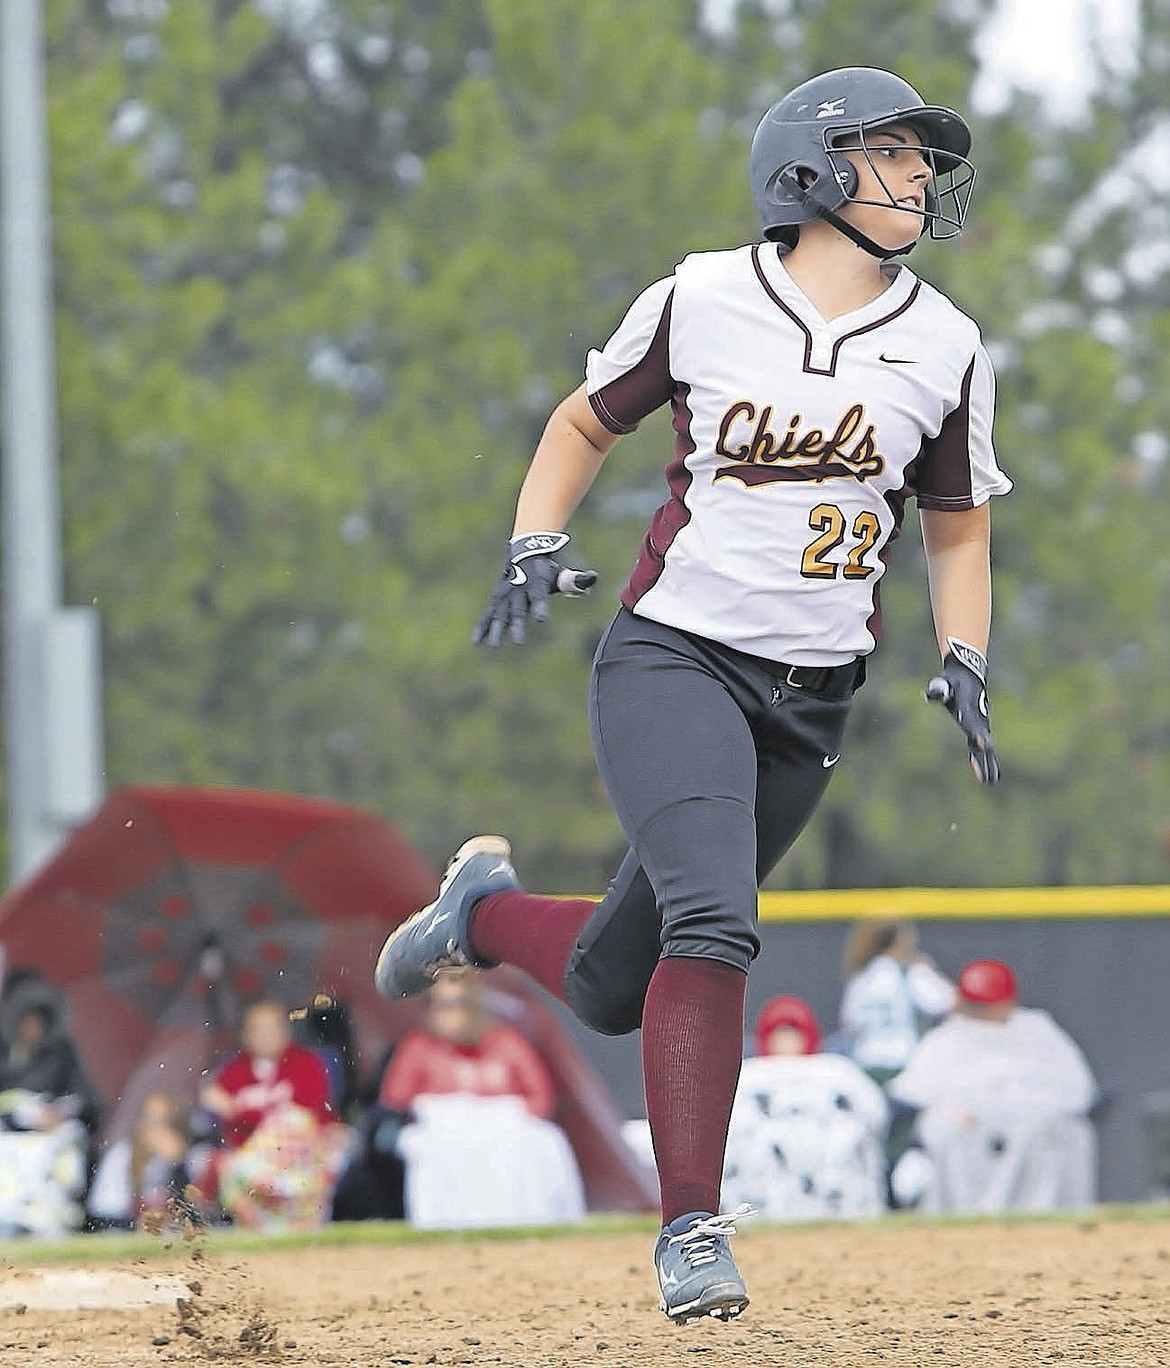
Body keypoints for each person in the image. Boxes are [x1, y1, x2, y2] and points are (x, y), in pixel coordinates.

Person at [375, 65, 1011, 1324]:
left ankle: (483, 913)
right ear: (811, 171)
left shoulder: (945, 341)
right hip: (676, 656)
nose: (921, 178)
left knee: (621, 981)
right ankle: (691, 1231)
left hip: (814, 694)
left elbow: (955, 526)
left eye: (924, 159)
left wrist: (966, 652)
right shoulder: (706, 295)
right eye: (891, 154)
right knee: (715, 923)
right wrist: (531, 541)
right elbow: (578, 427)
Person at [377, 970, 585, 1230]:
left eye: (456, 1005)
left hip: (504, 1129)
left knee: (545, 1142)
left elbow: (541, 1097)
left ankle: (529, 1221)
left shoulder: (504, 1041)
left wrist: (497, 1118)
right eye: (440, 1005)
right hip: (445, 1131)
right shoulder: (420, 1046)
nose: (448, 1015)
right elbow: (394, 1099)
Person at [887, 959, 1098, 1213]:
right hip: (966, 1140)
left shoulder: (1037, 1030)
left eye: (985, 1003)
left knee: (1047, 1126)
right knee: (947, 1125)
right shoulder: (946, 1038)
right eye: (974, 1002)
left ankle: (1050, 1218)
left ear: (1009, 1000)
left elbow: (1081, 1093)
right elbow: (909, 1097)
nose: (979, 1010)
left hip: (1038, 1135)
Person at [721, 996, 889, 1222]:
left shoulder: (838, 1071)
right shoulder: (746, 1075)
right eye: (778, 1033)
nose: (786, 1041)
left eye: (793, 1033)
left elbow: (876, 1116)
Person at [197, 999, 348, 1231]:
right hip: (254, 1163)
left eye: (274, 1027)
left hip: (299, 1158)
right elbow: (227, 1127)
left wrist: (239, 1110)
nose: (268, 1035)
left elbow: (306, 1114)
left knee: (290, 1123)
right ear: (246, 1035)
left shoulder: (305, 1063)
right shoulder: (234, 1071)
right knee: (225, 1165)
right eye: (259, 1029)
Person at [0, 968, 103, 1237]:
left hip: (53, 1138)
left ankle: (54, 1222)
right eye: (27, 1021)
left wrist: (59, 1112)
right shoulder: (3, 1054)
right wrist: (20, 1114)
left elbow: (87, 1100)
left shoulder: (61, 1052)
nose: (32, 1029)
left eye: (38, 1022)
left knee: (60, 1154)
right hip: (8, 1138)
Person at [838, 919, 956, 1085]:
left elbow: (849, 1025)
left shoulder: (861, 978)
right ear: (900, 940)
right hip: (904, 1063)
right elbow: (947, 1002)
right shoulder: (910, 972)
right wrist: (930, 972)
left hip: (866, 1062)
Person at [87, 1092, 199, 1231]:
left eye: (160, 1122)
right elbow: (104, 1214)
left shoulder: (195, 1157)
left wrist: (177, 1164)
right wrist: (136, 1226)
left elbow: (198, 1217)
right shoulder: (124, 1154)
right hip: (131, 1234)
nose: (150, 1128)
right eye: (147, 1118)